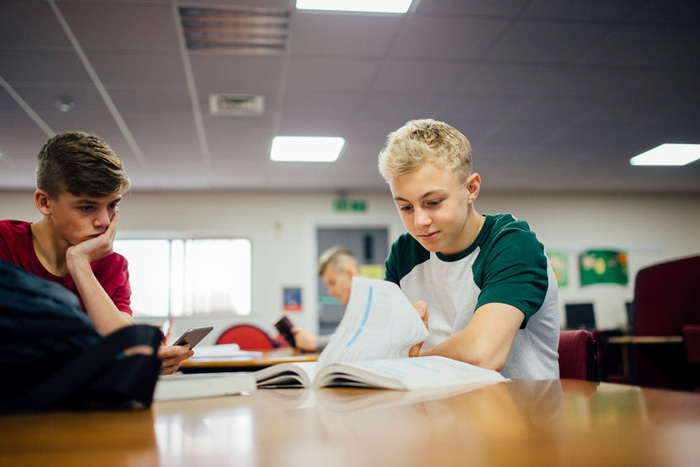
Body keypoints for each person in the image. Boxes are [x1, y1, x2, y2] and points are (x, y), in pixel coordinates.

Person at [377, 118, 560, 380]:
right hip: (437, 412)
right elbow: (383, 345)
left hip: (520, 416)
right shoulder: (404, 253)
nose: (419, 222)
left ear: (471, 189)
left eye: (433, 202)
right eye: (406, 207)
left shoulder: (513, 244)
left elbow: (483, 353)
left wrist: (410, 363)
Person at [0, 132, 192, 375]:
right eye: (87, 207)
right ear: (45, 202)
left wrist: (78, 262)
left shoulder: (113, 265)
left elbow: (129, 348)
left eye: (112, 205)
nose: (103, 221)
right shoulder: (4, 243)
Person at [291, 246, 360, 352]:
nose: (330, 292)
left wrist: (315, 342)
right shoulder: (356, 307)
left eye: (332, 282)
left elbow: (356, 340)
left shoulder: (376, 302)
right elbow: (344, 336)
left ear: (350, 274)